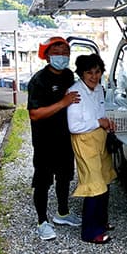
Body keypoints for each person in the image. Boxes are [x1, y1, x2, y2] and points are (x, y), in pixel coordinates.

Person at [27, 36, 82, 241]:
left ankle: (63, 213)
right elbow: (34, 114)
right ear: (48, 56)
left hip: (65, 138)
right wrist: (63, 102)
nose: (62, 57)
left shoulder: (68, 75)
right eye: (57, 53)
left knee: (65, 177)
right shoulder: (38, 81)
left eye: (65, 53)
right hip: (44, 141)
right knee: (42, 182)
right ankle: (42, 222)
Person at [67, 54, 117, 244]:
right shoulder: (75, 93)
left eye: (97, 72)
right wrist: (99, 121)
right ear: (81, 73)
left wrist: (107, 123)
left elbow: (101, 112)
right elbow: (74, 126)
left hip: (100, 138)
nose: (94, 76)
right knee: (93, 185)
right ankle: (89, 232)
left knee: (105, 180)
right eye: (89, 73)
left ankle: (102, 222)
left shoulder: (98, 89)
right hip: (85, 142)